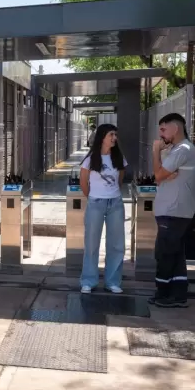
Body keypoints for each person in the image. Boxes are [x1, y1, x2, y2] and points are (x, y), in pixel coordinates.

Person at [150, 113, 195, 307]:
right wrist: (162, 174)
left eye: (163, 129)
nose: (161, 135)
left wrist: (155, 152)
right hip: (173, 211)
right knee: (176, 253)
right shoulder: (179, 149)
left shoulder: (183, 149)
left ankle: (163, 294)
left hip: (173, 211)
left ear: (175, 129)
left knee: (165, 254)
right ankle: (178, 294)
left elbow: (158, 174)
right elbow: (160, 175)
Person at [79, 124, 127, 294]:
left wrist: (112, 194)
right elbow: (83, 182)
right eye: (111, 135)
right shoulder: (91, 158)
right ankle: (88, 281)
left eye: (115, 134)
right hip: (95, 204)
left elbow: (120, 179)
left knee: (117, 245)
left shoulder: (118, 157)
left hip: (115, 204)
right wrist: (93, 197)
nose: (114, 138)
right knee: (92, 244)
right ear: (102, 137)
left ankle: (113, 281)